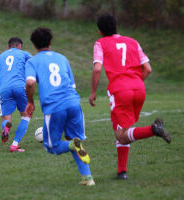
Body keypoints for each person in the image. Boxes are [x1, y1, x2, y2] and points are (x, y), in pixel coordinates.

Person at [89, 14, 171, 180]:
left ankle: (153, 129)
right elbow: (147, 69)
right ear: (116, 27)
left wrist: (92, 92)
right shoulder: (133, 41)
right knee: (121, 130)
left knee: (121, 134)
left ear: (99, 30)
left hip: (120, 91)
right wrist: (135, 83)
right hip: (139, 88)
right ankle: (122, 172)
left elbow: (97, 69)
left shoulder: (100, 43)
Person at [25, 27, 95, 186]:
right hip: (73, 103)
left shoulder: (32, 61)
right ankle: (87, 178)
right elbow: (72, 84)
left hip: (54, 107)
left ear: (34, 46)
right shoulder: (62, 58)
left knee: (53, 147)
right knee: (75, 139)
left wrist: (30, 101)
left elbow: (29, 82)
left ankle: (72, 145)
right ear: (50, 42)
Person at [0, 37, 32, 152]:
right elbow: (34, 67)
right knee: (26, 115)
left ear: (8, 46)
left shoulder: (0, 56)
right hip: (20, 87)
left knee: (6, 117)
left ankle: (6, 128)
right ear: (20, 46)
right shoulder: (24, 54)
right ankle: (14, 144)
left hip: (5, 89)